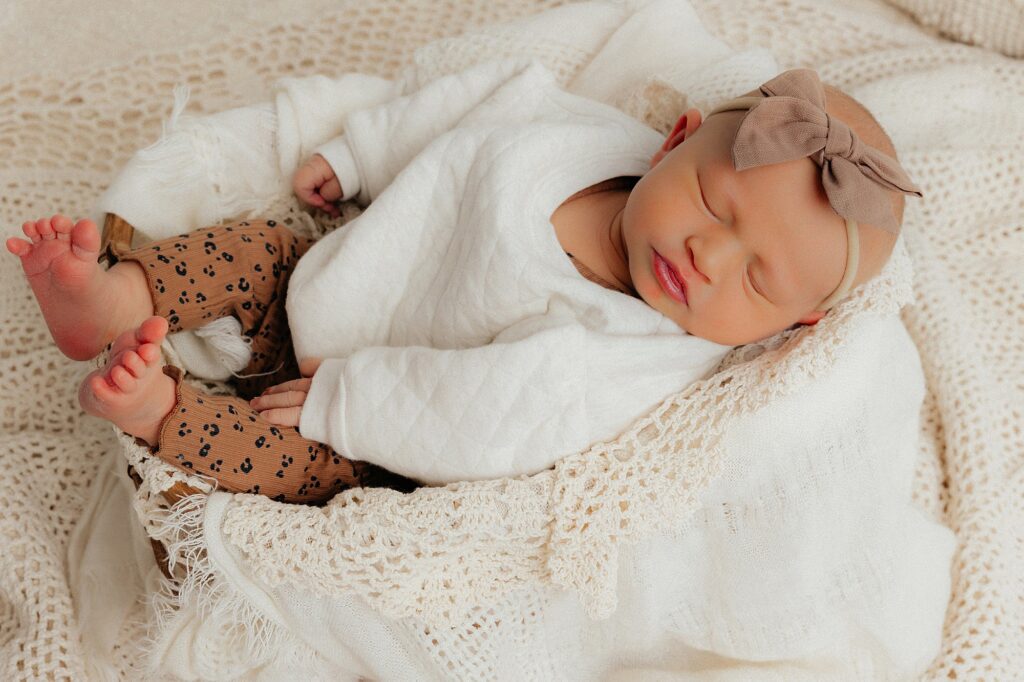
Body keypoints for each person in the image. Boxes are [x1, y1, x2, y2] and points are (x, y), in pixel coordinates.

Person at [6, 64, 920, 504]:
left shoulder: (634, 356)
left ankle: (158, 412)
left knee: (285, 472)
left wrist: (348, 404)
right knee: (250, 248)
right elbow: (480, 101)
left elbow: (493, 415)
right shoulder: (579, 136)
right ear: (674, 141)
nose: (708, 258)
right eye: (713, 205)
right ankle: (110, 301)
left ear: (790, 328)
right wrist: (363, 152)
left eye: (754, 280)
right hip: (328, 280)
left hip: (362, 429)